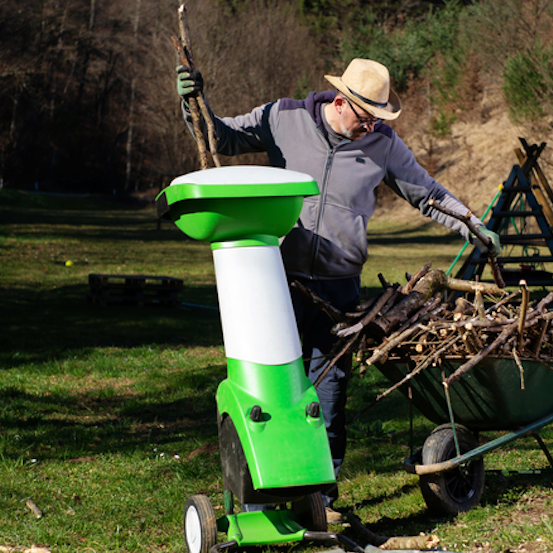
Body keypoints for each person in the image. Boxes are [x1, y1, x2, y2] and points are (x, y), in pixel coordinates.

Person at [176, 58, 501, 523]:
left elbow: (426, 192)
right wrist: (194, 104)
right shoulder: (282, 117)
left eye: (378, 118)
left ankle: (320, 499)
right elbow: (221, 137)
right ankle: (260, 495)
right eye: (366, 114)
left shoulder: (383, 145)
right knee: (269, 392)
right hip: (276, 283)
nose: (372, 124)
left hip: (339, 289)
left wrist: (473, 225)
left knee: (328, 391)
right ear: (341, 100)